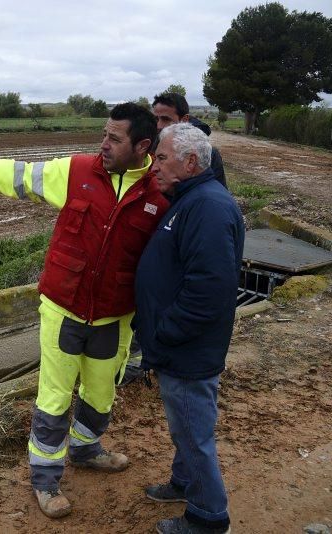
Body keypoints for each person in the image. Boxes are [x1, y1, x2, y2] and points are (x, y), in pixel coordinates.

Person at [0, 103, 169, 519]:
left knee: (102, 391)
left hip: (114, 316)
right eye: (103, 134)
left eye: (114, 138)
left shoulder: (159, 194)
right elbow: (17, 175)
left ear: (142, 145)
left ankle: (87, 449)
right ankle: (45, 480)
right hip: (64, 309)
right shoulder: (75, 172)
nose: (103, 144)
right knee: (54, 397)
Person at [133, 123, 244, 534]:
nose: (153, 166)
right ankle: (183, 482)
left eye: (161, 158)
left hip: (187, 349)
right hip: (181, 346)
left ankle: (208, 517)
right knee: (186, 422)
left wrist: (164, 332)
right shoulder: (191, 198)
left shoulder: (207, 207)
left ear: (191, 161)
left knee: (194, 432)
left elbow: (209, 290)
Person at [120, 92, 229, 387]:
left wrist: (167, 331)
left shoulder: (205, 176)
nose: (157, 125)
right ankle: (143, 360)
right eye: (155, 118)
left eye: (165, 119)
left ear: (183, 120)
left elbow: (207, 276)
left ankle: (152, 357)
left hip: (181, 333)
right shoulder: (155, 149)